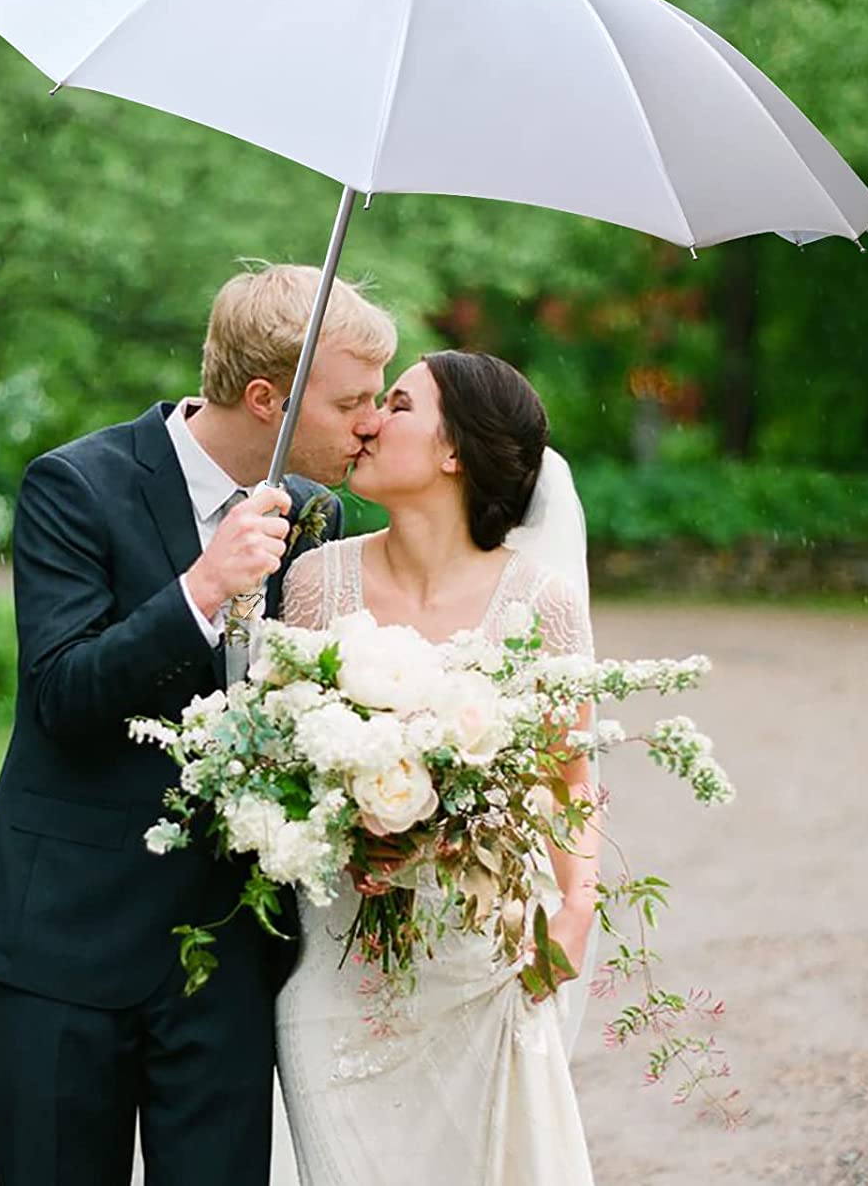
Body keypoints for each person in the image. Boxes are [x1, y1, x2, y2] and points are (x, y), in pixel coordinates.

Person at [0, 263, 397, 1186]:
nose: (370, 423)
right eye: (351, 401)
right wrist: (202, 588)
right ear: (266, 398)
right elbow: (61, 697)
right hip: (64, 946)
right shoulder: (74, 487)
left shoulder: (319, 521)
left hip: (228, 957)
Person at [274, 349, 600, 1186]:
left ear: (455, 451)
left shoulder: (541, 604)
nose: (371, 420)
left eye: (400, 403)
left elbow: (570, 773)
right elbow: (280, 757)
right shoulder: (315, 582)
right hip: (337, 963)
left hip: (478, 961)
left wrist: (574, 911)